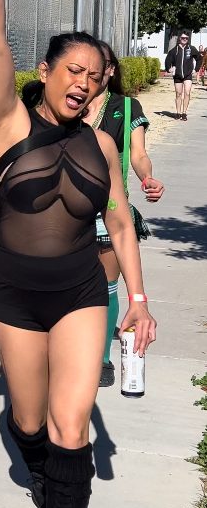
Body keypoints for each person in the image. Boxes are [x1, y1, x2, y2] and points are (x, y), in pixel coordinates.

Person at [0, 0, 157, 508]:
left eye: (95, 77)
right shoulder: (7, 123)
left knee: (70, 426)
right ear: (45, 72)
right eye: (73, 70)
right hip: (17, 293)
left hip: (80, 290)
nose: (83, 83)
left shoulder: (101, 145)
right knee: (29, 423)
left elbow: (121, 224)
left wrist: (138, 300)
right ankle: (42, 473)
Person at [82, 42, 164, 386]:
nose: (89, 74)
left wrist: (147, 177)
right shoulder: (68, 102)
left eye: (99, 66)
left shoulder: (126, 107)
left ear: (110, 70)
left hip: (109, 213)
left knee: (106, 287)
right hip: (65, 214)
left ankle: (101, 359)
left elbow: (138, 154)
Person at [164, 32, 200, 120]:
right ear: (180, 38)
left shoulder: (191, 49)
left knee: (187, 92)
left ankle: (184, 113)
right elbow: (168, 60)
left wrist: (196, 69)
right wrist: (168, 69)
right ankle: (178, 113)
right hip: (178, 75)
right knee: (178, 94)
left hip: (188, 75)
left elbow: (199, 58)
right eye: (183, 38)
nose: (185, 39)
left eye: (186, 38)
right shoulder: (174, 50)